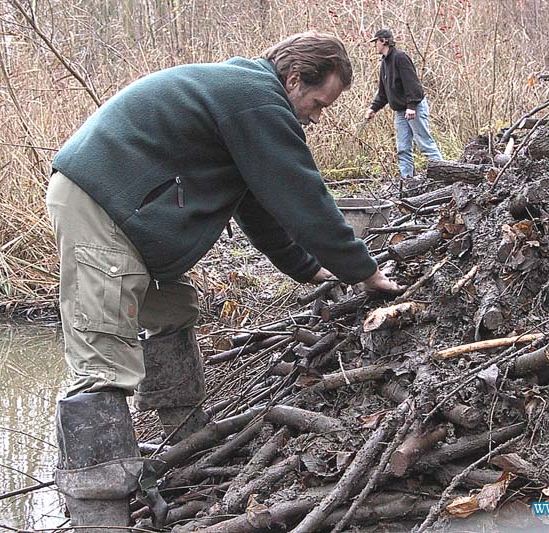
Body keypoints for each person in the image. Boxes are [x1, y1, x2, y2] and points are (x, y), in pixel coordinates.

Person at [46, 32, 401, 530]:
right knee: (103, 358)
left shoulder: (244, 101)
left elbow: (261, 205)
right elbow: (303, 194)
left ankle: (186, 442)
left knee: (172, 311)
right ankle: (98, 512)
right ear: (295, 79)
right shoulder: (254, 99)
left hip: (125, 212)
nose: (316, 117)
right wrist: (363, 270)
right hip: (100, 205)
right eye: (319, 103)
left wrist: (307, 267)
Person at [364, 28, 443, 179]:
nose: (374, 45)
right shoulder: (384, 63)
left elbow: (413, 84)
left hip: (414, 108)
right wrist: (373, 108)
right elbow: (383, 93)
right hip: (401, 111)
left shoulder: (400, 57)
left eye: (376, 42)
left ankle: (444, 175)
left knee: (425, 144)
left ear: (384, 41)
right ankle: (407, 181)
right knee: (403, 148)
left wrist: (412, 106)